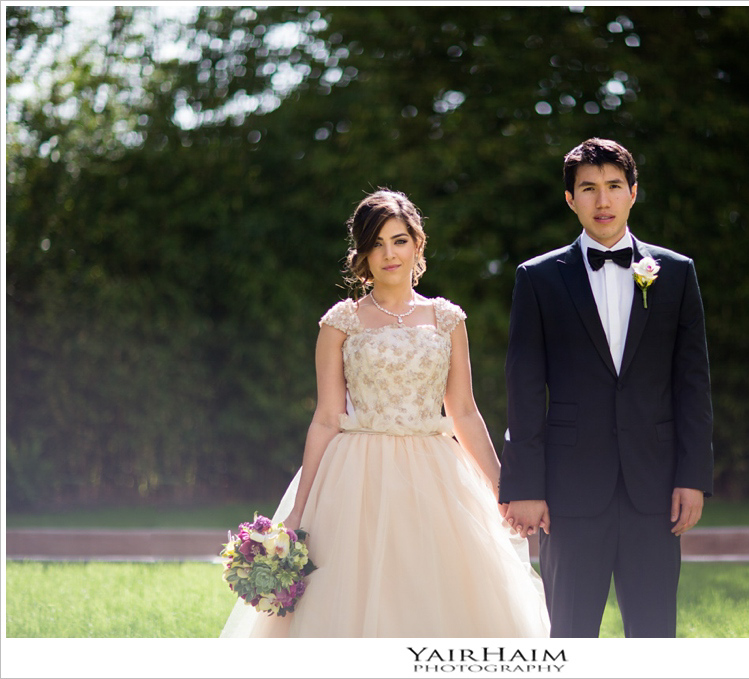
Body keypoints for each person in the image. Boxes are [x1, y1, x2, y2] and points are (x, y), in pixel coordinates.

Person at [220, 189, 549, 638]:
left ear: (417, 243)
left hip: (436, 473)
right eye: (376, 243)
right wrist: (298, 511)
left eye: (398, 240)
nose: (389, 253)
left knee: (437, 598)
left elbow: (465, 412)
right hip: (356, 478)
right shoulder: (342, 322)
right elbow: (326, 418)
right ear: (362, 255)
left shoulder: (447, 319)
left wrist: (502, 489)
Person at [498, 138, 714, 638]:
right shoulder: (538, 279)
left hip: (656, 488)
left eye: (614, 187)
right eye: (589, 189)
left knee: (654, 635)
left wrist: (693, 475)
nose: (603, 201)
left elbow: (692, 383)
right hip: (569, 493)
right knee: (569, 638)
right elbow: (524, 388)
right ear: (570, 199)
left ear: (633, 193)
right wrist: (527, 486)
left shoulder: (676, 274)